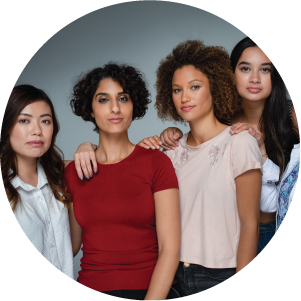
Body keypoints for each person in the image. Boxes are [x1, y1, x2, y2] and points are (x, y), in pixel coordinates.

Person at [73, 41, 263, 295]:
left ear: (215, 87)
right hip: (173, 276)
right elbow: (120, 165)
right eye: (176, 90)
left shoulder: (240, 142)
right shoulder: (170, 150)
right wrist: (84, 147)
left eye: (194, 87)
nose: (184, 97)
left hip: (219, 274)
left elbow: (250, 224)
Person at [145, 37, 300, 255]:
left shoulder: (290, 118)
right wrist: (172, 135)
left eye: (265, 70)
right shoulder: (217, 118)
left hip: (268, 230)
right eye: (245, 68)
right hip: (226, 238)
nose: (254, 78)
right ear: (230, 73)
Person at [65, 62, 181, 299]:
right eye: (103, 100)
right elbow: (69, 247)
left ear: (133, 105)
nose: (115, 108)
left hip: (151, 291)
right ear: (90, 109)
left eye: (123, 98)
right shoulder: (73, 171)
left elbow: (170, 248)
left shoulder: (156, 163)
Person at [0, 85, 74, 279]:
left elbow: (69, 248)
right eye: (24, 120)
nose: (37, 131)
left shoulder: (60, 180)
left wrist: (87, 147)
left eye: (45, 121)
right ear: (6, 127)